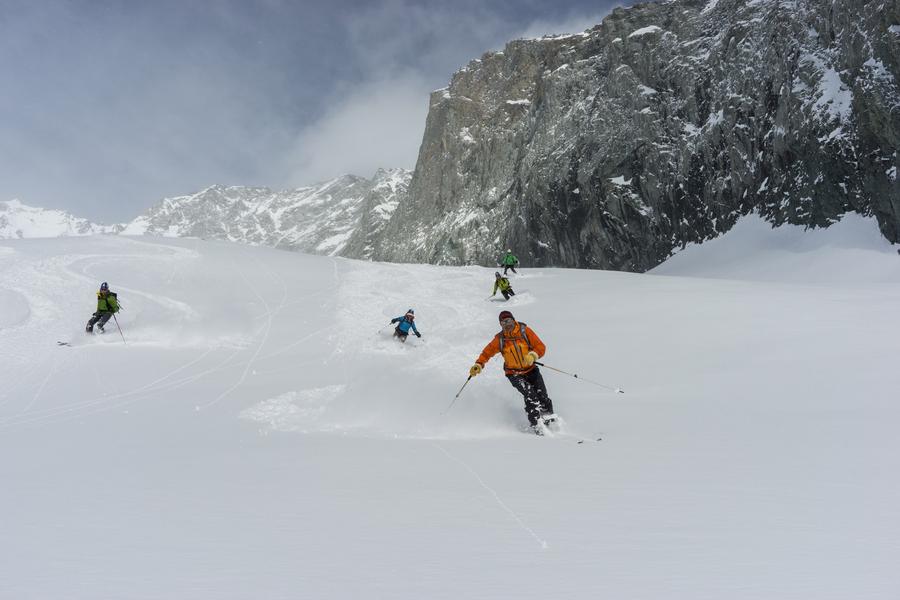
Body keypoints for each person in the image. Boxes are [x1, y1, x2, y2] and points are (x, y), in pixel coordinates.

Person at [468, 310, 556, 435]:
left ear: (513, 320)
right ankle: (537, 425)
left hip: (531, 370)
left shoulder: (525, 331)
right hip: (514, 374)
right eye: (503, 322)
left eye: (508, 320)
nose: (506, 324)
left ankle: (549, 420)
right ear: (500, 325)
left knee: (543, 396)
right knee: (531, 396)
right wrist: (479, 364)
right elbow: (487, 353)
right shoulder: (500, 339)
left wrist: (533, 355)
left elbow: (541, 347)